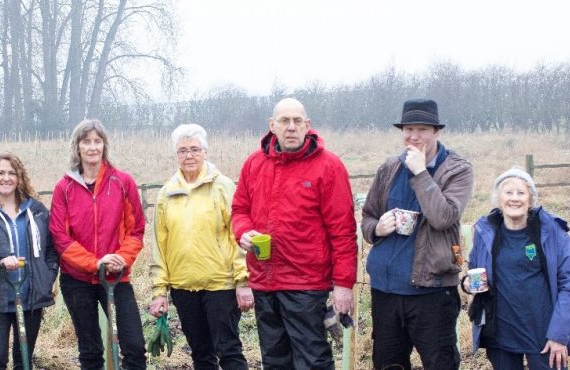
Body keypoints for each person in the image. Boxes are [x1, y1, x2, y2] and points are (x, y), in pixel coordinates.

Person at [230, 98, 357, 370]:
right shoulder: (254, 164)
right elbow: (239, 209)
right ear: (272, 125)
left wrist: (343, 284)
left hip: (306, 283)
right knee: (274, 360)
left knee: (312, 361)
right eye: (284, 121)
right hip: (264, 280)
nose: (291, 127)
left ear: (307, 125)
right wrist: (242, 232)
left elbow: (343, 231)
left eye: (297, 121)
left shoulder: (328, 166)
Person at [361, 98, 475, 370]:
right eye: (408, 129)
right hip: (386, 290)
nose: (414, 136)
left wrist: (421, 172)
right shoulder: (389, 168)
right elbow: (367, 217)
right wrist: (377, 228)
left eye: (422, 129)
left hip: (432, 292)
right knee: (388, 365)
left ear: (437, 131)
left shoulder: (457, 169)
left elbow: (443, 217)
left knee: (440, 364)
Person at [148, 123, 250, 370]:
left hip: (220, 285)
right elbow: (159, 245)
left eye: (194, 149)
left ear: (205, 151)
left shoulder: (222, 186)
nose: (189, 155)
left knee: (229, 351)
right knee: (201, 354)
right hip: (183, 287)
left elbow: (237, 235)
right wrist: (160, 290)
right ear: (176, 155)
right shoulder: (167, 193)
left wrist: (243, 281)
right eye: (182, 150)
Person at [49, 119, 147, 370]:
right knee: (90, 350)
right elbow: (60, 236)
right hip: (77, 280)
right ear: (77, 147)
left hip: (116, 276)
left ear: (104, 145)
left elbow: (136, 230)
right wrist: (95, 263)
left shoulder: (123, 182)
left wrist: (120, 259)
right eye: (86, 141)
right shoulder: (64, 188)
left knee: (134, 346)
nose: (92, 147)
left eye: (97, 141)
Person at [468, 167, 570, 370]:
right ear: (498, 199)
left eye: (521, 193)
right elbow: (474, 269)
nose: (514, 198)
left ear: (530, 199)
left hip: (545, 335)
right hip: (501, 334)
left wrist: (559, 335)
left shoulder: (552, 231)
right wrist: (467, 283)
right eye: (508, 192)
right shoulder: (485, 231)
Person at [0, 153, 58, 370]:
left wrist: (47, 277)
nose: (6, 178)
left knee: (24, 359)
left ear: (19, 178)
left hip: (31, 297)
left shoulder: (37, 211)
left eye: (11, 173)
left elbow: (52, 250)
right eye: (0, 173)